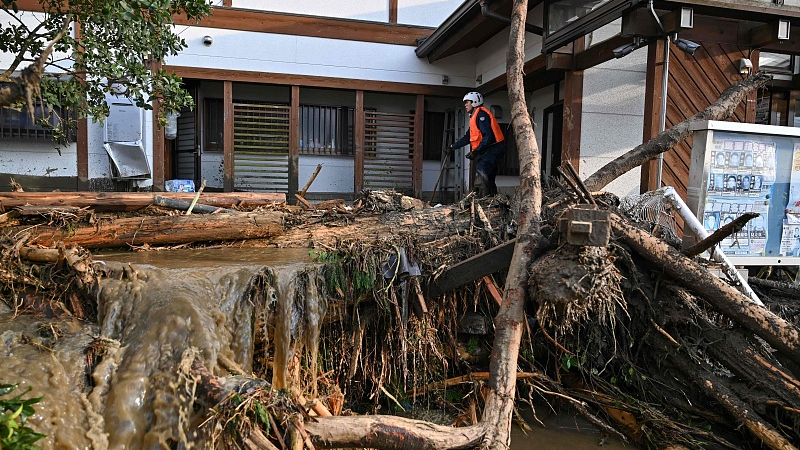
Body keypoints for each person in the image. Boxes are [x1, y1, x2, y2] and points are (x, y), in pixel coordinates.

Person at [449, 92, 506, 197]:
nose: (465, 105)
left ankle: (482, 200)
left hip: (492, 149)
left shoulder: (481, 116)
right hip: (489, 150)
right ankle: (492, 199)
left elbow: (488, 136)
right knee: (489, 177)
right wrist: (453, 146)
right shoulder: (475, 117)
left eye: (467, 102)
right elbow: (468, 137)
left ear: (474, 102)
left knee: (481, 173)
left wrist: (476, 151)